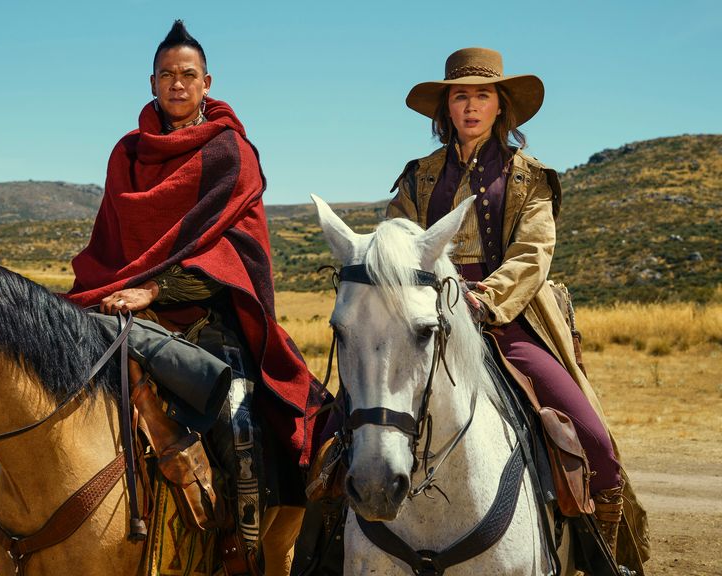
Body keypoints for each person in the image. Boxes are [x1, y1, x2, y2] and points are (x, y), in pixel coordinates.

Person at [66, 20, 328, 575]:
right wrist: (118, 290)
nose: (178, 84)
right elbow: (111, 239)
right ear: (152, 81)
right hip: (124, 310)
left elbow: (236, 250)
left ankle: (243, 549)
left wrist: (157, 289)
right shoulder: (129, 154)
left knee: (240, 423)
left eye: (188, 75)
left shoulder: (230, 151)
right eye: (167, 75)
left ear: (207, 82)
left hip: (208, 315)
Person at [386, 47, 649, 571]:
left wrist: (484, 300)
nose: (470, 106)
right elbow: (395, 242)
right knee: (342, 431)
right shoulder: (417, 178)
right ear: (446, 108)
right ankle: (323, 548)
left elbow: (533, 254)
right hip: (426, 320)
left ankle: (605, 560)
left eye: (482, 95)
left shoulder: (531, 177)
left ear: (500, 106)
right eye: (460, 96)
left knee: (592, 440)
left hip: (506, 321)